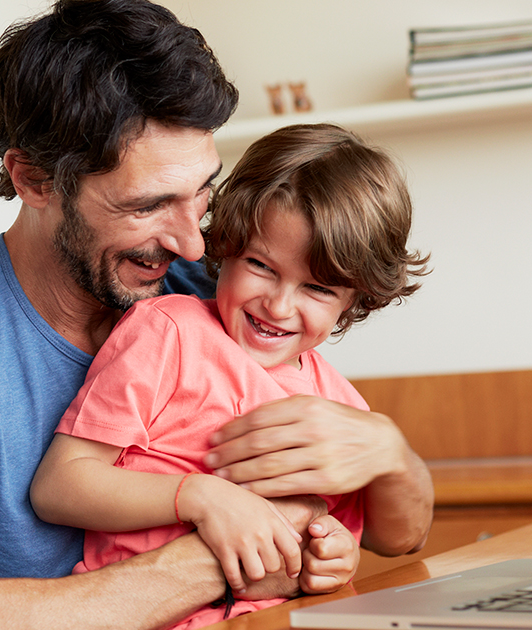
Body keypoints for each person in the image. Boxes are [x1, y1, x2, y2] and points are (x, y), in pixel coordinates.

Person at [0, 1, 434, 629]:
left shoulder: (209, 289)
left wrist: (389, 454)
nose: (195, 243)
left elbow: (402, 532)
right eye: (147, 205)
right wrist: (247, 542)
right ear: (35, 180)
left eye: (201, 190)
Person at [31, 123, 434, 629]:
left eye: (317, 288)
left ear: (356, 299)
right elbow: (58, 486)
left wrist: (333, 554)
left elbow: (390, 538)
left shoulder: (338, 406)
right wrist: (200, 497)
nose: (279, 305)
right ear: (226, 246)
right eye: (261, 265)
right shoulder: (167, 332)